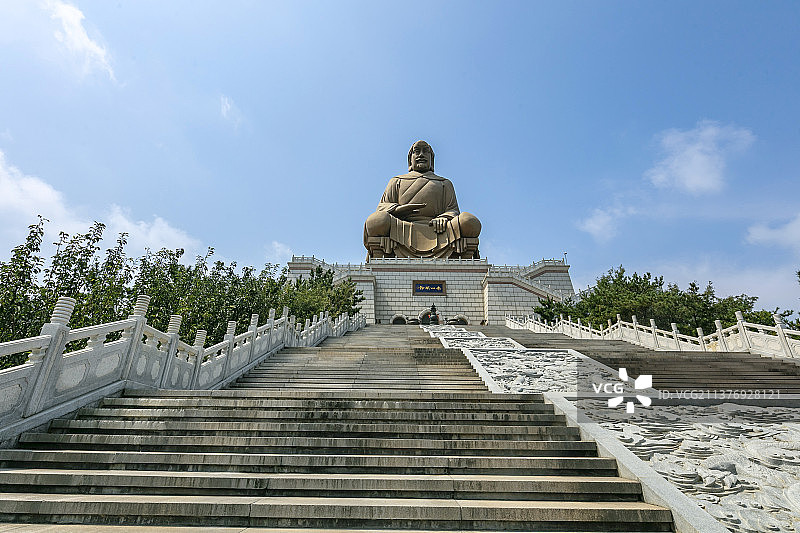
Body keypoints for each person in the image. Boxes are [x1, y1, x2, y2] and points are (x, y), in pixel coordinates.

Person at [363, 140, 481, 258]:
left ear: (431, 159)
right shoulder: (397, 181)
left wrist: (444, 217)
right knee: (376, 220)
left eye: (425, 151)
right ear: (410, 159)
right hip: (402, 228)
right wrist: (399, 210)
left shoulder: (444, 183)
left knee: (469, 221)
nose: (421, 155)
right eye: (417, 151)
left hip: (439, 231)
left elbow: (453, 210)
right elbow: (382, 208)